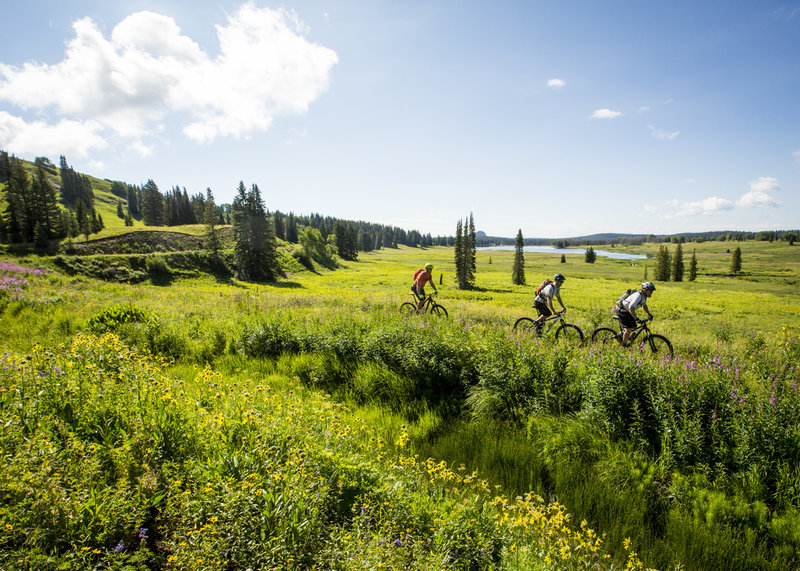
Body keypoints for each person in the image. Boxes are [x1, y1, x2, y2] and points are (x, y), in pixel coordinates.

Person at [616, 282, 656, 346]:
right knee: (628, 328)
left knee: (634, 326)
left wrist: (649, 313)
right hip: (622, 310)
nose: (651, 293)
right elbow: (631, 307)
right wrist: (636, 318)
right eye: (650, 291)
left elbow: (644, 305)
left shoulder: (644, 296)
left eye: (652, 291)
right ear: (645, 290)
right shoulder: (638, 295)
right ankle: (624, 344)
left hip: (627, 311)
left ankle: (621, 335)